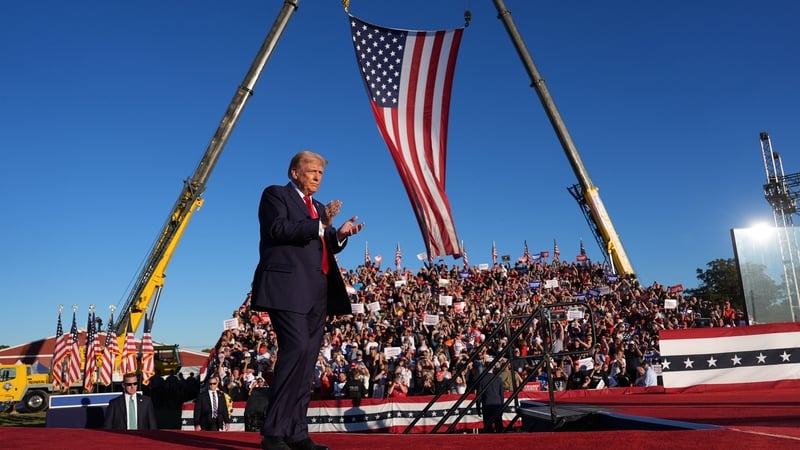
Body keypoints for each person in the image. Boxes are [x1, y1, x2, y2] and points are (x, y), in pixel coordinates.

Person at [250, 150, 364, 450]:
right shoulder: (275, 195)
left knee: (308, 362)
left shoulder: (319, 207)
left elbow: (325, 246)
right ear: (294, 173)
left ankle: (297, 433)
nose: (317, 176)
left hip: (318, 292)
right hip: (286, 288)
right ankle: (273, 432)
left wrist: (339, 234)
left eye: (321, 173)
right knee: (296, 349)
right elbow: (278, 229)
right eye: (311, 171)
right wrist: (321, 223)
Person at [477, 367, 506, 433]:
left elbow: (479, 396)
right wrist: (502, 406)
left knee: (488, 427)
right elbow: (502, 395)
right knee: (498, 426)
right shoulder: (498, 379)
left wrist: (478, 407)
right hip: (497, 404)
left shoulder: (482, 380)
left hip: (486, 404)